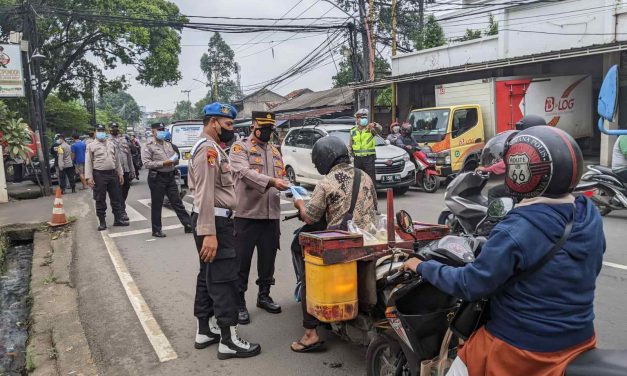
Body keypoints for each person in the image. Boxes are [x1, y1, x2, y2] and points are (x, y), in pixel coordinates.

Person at [403, 126, 604, 376]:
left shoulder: (517, 228)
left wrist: (423, 266)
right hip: (581, 339)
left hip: (523, 348)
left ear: (522, 171)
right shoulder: (588, 214)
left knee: (458, 370)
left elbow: (470, 285)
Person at [290, 136, 378, 353]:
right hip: (370, 240)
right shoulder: (364, 175)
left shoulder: (327, 182)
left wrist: (300, 203)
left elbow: (310, 218)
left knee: (309, 274)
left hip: (341, 244)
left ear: (323, 158)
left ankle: (310, 334)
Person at [188, 102, 261, 359]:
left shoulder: (213, 149)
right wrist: (209, 232)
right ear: (212, 122)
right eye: (227, 124)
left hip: (212, 220)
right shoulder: (208, 150)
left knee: (207, 275)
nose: (231, 129)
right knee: (224, 279)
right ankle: (228, 340)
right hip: (215, 223)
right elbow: (205, 193)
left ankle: (204, 330)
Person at [230, 111, 290, 325]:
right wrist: (272, 182)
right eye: (263, 127)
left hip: (270, 215)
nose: (267, 131)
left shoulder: (275, 150)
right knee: (241, 261)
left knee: (268, 260)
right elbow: (243, 173)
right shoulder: (240, 148)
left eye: (270, 128)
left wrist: (294, 192)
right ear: (253, 126)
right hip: (246, 215)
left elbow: (282, 177)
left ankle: (264, 295)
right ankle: (238, 303)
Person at [141, 123, 192, 238]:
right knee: (157, 204)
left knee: (177, 202)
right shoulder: (148, 146)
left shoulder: (168, 145)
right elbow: (147, 164)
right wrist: (164, 163)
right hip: (157, 177)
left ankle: (188, 224)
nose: (162, 131)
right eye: (159, 130)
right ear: (153, 132)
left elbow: (174, 158)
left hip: (170, 176)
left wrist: (175, 161)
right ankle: (156, 230)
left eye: (163, 129)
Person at [85, 124, 129, 231]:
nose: (101, 132)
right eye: (98, 130)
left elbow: (117, 160)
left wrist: (120, 173)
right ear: (95, 132)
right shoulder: (91, 146)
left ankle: (118, 219)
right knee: (100, 199)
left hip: (113, 174)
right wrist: (89, 177)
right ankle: (102, 222)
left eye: (102, 130)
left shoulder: (111, 144)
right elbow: (88, 162)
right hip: (99, 175)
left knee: (116, 197)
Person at [109, 123, 135, 220]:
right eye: (112, 128)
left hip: (126, 169)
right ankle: (121, 211)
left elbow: (129, 157)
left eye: (116, 128)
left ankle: (120, 206)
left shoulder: (123, 140)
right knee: (117, 191)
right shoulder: (108, 141)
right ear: (109, 130)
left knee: (126, 188)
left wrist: (132, 170)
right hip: (115, 171)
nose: (114, 130)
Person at [350, 108, 382, 185]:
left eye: (365, 118)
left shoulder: (370, 129)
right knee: (358, 179)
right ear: (357, 119)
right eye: (361, 118)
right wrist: (350, 154)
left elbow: (380, 129)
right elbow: (350, 144)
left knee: (370, 179)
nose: (364, 119)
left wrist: (375, 124)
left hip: (369, 158)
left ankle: (371, 194)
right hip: (357, 159)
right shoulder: (353, 130)